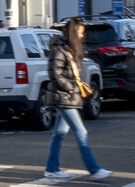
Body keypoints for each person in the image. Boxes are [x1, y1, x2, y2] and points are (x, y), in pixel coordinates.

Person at [43, 18, 108, 180]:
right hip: (64, 96)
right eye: (80, 32)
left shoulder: (68, 49)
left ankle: (51, 169)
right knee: (81, 132)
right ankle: (94, 170)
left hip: (66, 96)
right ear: (73, 32)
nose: (82, 36)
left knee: (59, 133)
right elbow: (54, 74)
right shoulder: (60, 50)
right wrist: (70, 88)